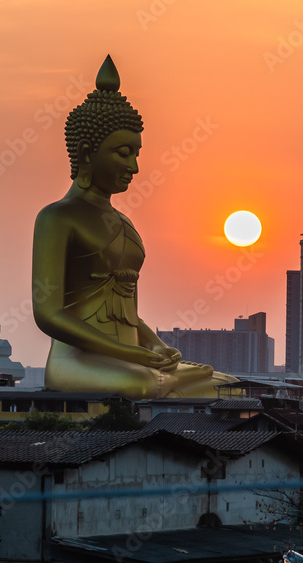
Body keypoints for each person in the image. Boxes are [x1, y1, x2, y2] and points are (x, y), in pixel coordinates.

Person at [32, 55, 235, 399]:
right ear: (85, 153)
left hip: (133, 360)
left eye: (137, 153)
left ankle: (163, 377)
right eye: (123, 153)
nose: (135, 166)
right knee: (145, 384)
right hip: (79, 361)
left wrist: (156, 347)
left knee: (230, 386)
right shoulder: (57, 218)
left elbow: (130, 315)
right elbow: (48, 313)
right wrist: (130, 354)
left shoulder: (123, 223)